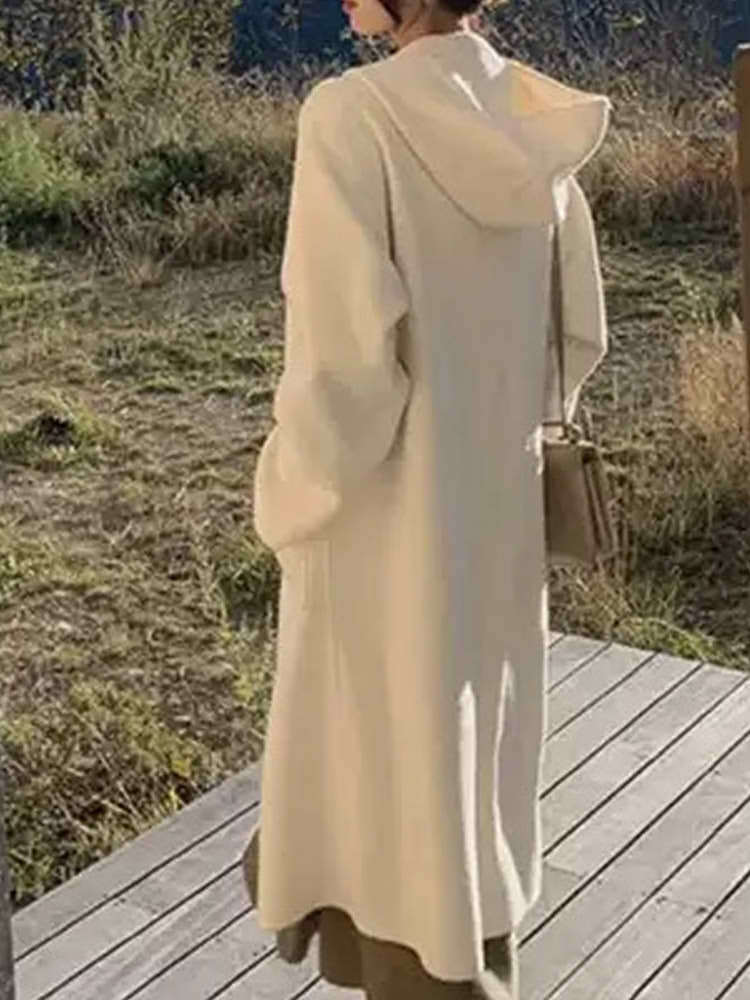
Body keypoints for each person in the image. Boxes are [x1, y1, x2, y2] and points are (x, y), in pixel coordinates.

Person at [243, 1, 612, 997]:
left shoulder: (352, 114)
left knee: (384, 763)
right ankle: (477, 961)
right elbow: (578, 331)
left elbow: (344, 366)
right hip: (495, 506)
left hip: (382, 514)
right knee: (473, 754)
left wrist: (286, 493)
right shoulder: (530, 118)